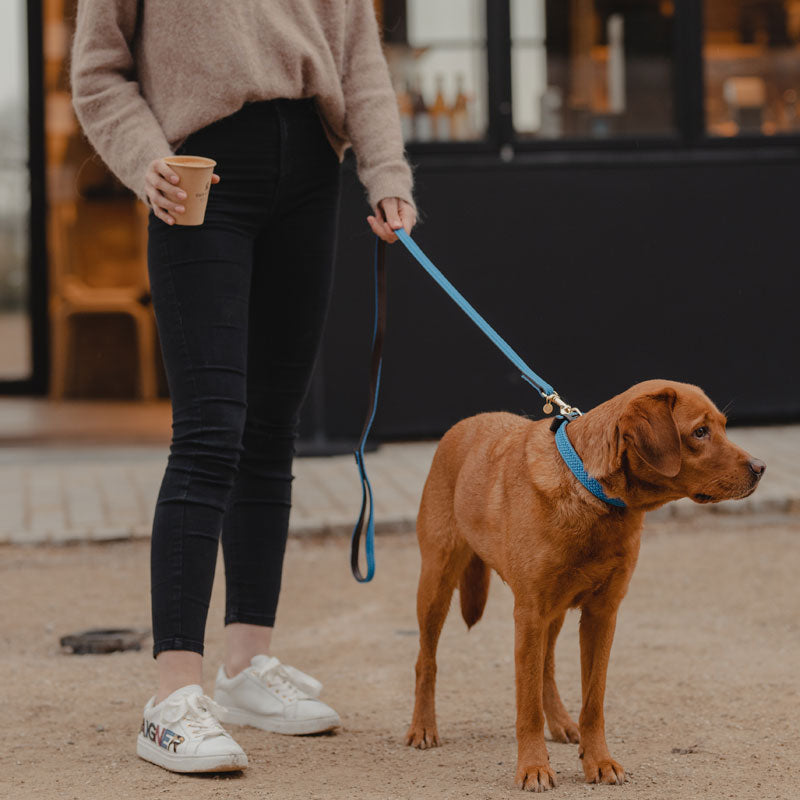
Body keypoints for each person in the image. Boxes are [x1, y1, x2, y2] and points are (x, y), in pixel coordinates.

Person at [70, 0, 417, 774]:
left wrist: (385, 173)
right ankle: (171, 699)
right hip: (201, 177)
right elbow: (98, 74)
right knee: (210, 430)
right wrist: (145, 158)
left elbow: (359, 57)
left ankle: (243, 671)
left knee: (271, 431)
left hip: (310, 177)